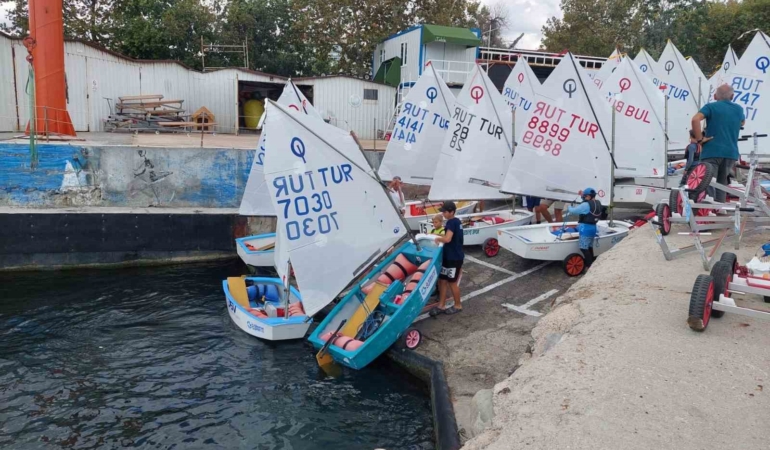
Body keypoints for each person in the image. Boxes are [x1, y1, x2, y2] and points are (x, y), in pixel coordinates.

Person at [691, 84, 745, 203]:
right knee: (722, 182)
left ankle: (709, 208)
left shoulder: (710, 107)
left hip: (712, 150)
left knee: (709, 181)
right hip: (731, 152)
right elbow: (742, 123)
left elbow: (695, 120)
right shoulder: (739, 109)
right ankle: (720, 206)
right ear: (732, 96)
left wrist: (700, 139)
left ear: (715, 96)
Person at [430, 201, 464, 316]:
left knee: (452, 282)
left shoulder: (451, 223)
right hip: (449, 256)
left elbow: (448, 239)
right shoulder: (456, 221)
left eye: (445, 211)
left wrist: (438, 238)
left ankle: (458, 305)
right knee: (442, 280)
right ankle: (441, 305)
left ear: (452, 212)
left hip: (453, 258)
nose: (443, 213)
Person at [565, 188, 603, 271]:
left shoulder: (585, 205)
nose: (583, 198)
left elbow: (574, 211)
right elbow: (586, 201)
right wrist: (582, 194)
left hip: (585, 228)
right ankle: (592, 262)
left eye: (585, 196)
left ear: (588, 196)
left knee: (583, 248)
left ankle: (590, 266)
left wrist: (569, 207)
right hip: (593, 228)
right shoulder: (598, 203)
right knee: (589, 246)